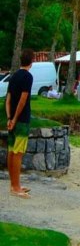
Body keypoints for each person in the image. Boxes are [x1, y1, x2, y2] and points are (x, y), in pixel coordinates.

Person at [5, 49, 34, 199]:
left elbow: (8, 100)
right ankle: (16, 187)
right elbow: (23, 100)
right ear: (32, 61)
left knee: (11, 151)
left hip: (12, 119)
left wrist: (9, 118)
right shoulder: (27, 77)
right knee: (18, 153)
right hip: (21, 120)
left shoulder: (13, 76)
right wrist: (15, 119)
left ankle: (13, 184)